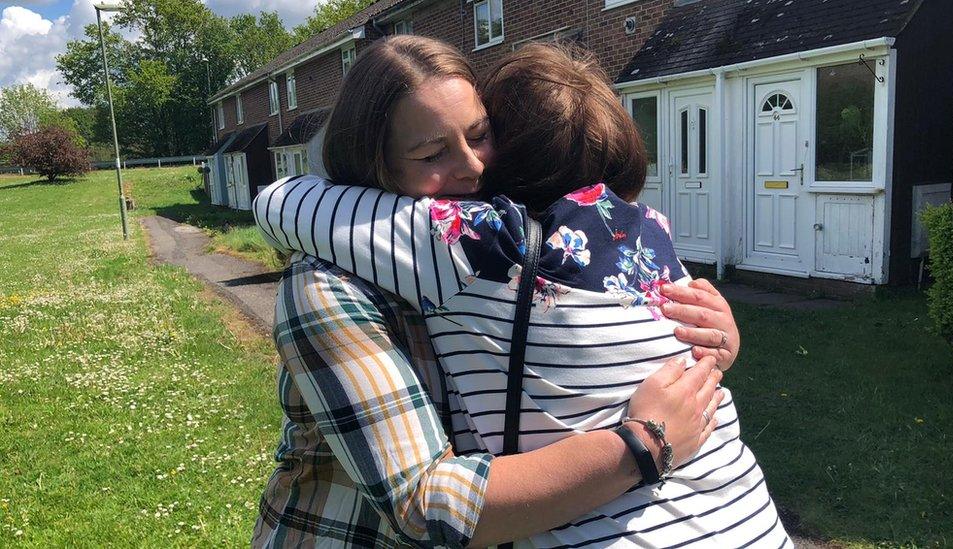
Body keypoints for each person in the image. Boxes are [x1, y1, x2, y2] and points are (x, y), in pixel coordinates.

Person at [252, 36, 749, 548]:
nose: (473, 166)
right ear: (372, 166)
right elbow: (425, 505)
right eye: (431, 153)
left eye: (480, 134)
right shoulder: (326, 285)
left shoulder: (506, 242)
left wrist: (700, 341)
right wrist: (643, 444)